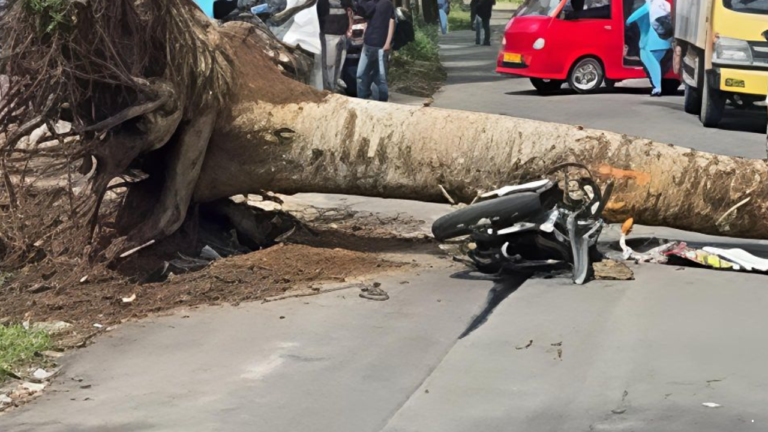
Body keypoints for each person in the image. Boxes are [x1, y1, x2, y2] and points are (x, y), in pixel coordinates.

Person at [626, 0, 672, 96]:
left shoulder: (647, 6)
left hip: (653, 42)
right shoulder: (663, 4)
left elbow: (631, 19)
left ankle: (657, 88)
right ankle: (656, 85)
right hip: (663, 40)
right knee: (650, 61)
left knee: (652, 63)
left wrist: (627, 22)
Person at [356, 0, 396, 101]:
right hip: (368, 44)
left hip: (380, 46)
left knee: (381, 78)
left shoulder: (387, 3)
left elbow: (392, 21)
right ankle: (363, 98)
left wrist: (387, 43)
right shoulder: (369, 4)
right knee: (360, 75)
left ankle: (382, 101)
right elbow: (365, 17)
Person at [318, 0, 354, 92]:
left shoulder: (345, 2)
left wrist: (350, 27)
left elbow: (349, 12)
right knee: (328, 64)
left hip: (342, 36)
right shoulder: (323, 2)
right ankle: (328, 89)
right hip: (328, 36)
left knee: (338, 65)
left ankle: (333, 87)